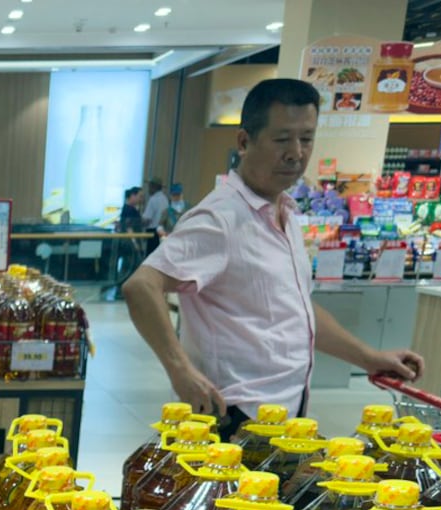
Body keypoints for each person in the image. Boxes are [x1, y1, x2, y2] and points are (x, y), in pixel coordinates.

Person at [123, 78, 422, 438]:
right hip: (233, 418)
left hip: (283, 413)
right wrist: (180, 371)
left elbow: (297, 313)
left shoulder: (283, 213)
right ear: (245, 141)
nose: (296, 152)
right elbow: (141, 286)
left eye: (306, 138)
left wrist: (368, 358)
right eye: (282, 139)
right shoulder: (221, 218)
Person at [141, 177, 168, 249]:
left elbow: (147, 219)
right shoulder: (165, 199)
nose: (148, 189)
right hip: (162, 232)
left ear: (154, 187)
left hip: (152, 233)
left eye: (150, 186)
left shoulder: (153, 200)